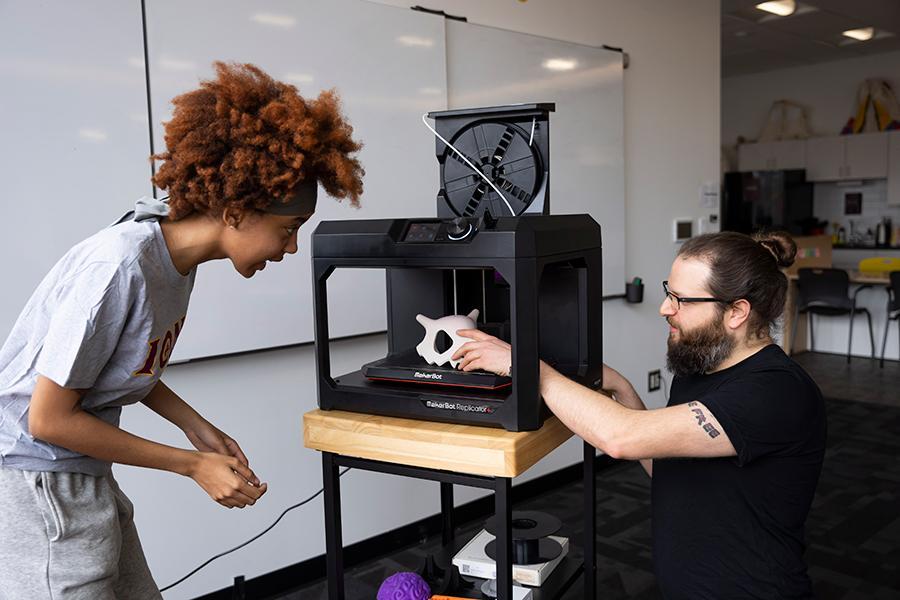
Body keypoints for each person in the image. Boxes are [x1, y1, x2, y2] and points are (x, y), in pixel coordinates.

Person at [0, 62, 364, 599]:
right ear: (238, 211)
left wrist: (195, 426)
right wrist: (192, 465)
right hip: (38, 485)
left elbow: (120, 364)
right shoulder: (120, 267)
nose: (289, 250)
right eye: (287, 231)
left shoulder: (175, 263)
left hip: (81, 476)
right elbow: (49, 418)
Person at [454, 231, 826, 600]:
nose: (665, 308)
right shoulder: (698, 369)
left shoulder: (776, 392)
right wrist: (623, 389)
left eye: (681, 300)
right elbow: (668, 467)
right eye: (669, 292)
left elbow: (621, 438)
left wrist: (527, 369)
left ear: (736, 312)